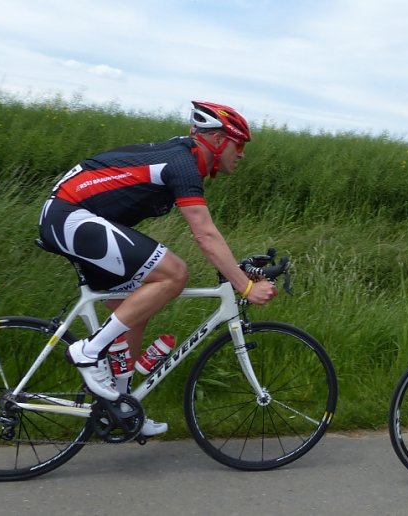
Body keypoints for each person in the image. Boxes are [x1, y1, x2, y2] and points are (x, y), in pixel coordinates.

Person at [38, 100, 278, 436]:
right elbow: (205, 234)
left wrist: (240, 272)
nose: (241, 154)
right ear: (219, 141)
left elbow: (210, 238)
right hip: (71, 216)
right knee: (174, 273)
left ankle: (120, 409)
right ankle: (88, 352)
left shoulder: (181, 157)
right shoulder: (182, 163)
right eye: (239, 145)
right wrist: (246, 287)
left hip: (79, 218)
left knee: (135, 307)